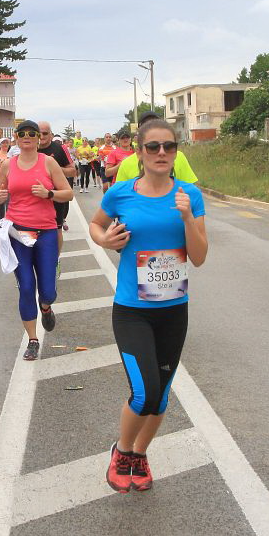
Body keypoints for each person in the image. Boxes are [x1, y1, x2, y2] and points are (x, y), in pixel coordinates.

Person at [88, 119, 207, 492]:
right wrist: (105, 240)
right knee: (145, 392)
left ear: (176, 152)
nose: (161, 153)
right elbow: (96, 225)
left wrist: (187, 216)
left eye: (169, 147)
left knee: (162, 396)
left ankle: (140, 454)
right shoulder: (121, 193)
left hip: (174, 309)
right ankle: (122, 451)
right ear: (139, 151)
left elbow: (200, 256)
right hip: (132, 310)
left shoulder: (190, 195)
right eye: (153, 146)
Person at [0, 119, 74, 361]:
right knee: (27, 287)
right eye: (22, 133)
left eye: (32, 133)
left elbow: (68, 193)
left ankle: (47, 307)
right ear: (17, 138)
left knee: (47, 290)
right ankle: (32, 340)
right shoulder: (8, 164)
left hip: (46, 231)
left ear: (38, 139)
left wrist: (49, 193)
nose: (27, 136)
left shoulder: (48, 162)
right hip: (19, 233)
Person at [114, 113, 200, 184]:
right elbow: (118, 198)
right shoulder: (126, 164)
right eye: (146, 126)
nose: (161, 153)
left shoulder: (179, 156)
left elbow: (191, 190)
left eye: (156, 124)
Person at [37, 121, 77, 240]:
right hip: (35, 195)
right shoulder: (30, 149)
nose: (42, 136)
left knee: (56, 228)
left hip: (55, 195)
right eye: (39, 133)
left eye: (45, 133)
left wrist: (55, 169)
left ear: (51, 135)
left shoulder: (60, 149)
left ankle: (56, 257)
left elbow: (72, 171)